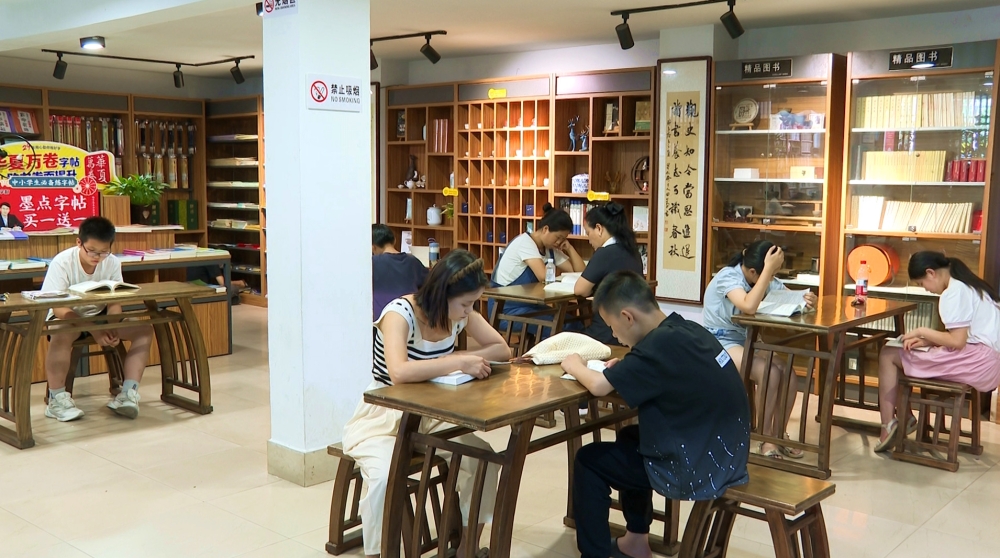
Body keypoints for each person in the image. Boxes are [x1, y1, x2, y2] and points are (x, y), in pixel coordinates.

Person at [562, 271, 750, 558]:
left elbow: (599, 386)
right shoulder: (685, 328)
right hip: (729, 452)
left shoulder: (656, 346)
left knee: (588, 461)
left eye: (612, 327)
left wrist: (575, 365)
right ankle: (636, 541)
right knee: (630, 437)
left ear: (627, 317)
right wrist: (628, 369)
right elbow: (663, 370)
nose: (614, 335)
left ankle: (594, 553)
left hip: (698, 466)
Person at [342, 249, 510, 558]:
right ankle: (380, 553)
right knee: (384, 478)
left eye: (473, 303)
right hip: (384, 416)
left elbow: (502, 349)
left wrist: (463, 357)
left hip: (432, 414)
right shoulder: (399, 313)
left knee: (482, 458)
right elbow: (399, 372)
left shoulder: (458, 314)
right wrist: (456, 361)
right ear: (442, 294)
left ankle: (468, 547)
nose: (469, 311)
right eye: (465, 304)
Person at [702, 240, 816, 459]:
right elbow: (748, 305)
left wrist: (809, 300)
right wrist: (767, 272)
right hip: (719, 342)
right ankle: (765, 438)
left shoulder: (763, 278)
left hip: (748, 340)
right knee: (769, 372)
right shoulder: (728, 276)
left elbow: (791, 299)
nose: (772, 278)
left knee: (788, 373)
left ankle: (779, 434)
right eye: (771, 273)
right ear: (754, 271)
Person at [875, 251, 1000, 452]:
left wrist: (922, 331)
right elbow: (964, 335)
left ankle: (889, 425)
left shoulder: (953, 293)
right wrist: (927, 341)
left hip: (975, 361)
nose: (925, 289)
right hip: (989, 363)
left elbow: (957, 341)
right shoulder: (969, 285)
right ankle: (905, 417)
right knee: (902, 353)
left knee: (888, 354)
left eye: (921, 283)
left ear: (931, 273)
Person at [41, 216, 155, 422]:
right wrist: (95, 330)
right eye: (92, 251)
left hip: (100, 314)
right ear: (79, 243)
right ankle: (56, 400)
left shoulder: (112, 262)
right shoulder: (62, 262)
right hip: (68, 316)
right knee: (60, 333)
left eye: (104, 252)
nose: (97, 257)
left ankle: (127, 394)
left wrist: (112, 325)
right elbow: (58, 307)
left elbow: (114, 301)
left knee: (144, 329)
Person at [489, 203, 585, 332]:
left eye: (563, 239)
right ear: (545, 229)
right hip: (506, 310)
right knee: (562, 326)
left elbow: (580, 272)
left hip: (530, 307)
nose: (559, 242)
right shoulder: (525, 242)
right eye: (558, 237)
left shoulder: (549, 249)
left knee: (573, 323)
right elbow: (543, 276)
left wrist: (570, 248)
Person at [573, 202, 643, 345]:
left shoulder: (604, 253)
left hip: (607, 331)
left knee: (564, 332)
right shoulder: (633, 251)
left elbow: (580, 290)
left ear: (599, 228)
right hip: (632, 329)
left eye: (588, 233)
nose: (589, 240)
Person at [371, 223, 428, 321]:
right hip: (411, 318)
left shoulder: (372, 263)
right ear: (394, 240)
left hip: (382, 320)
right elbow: (429, 284)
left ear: (373, 247)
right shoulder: (413, 261)